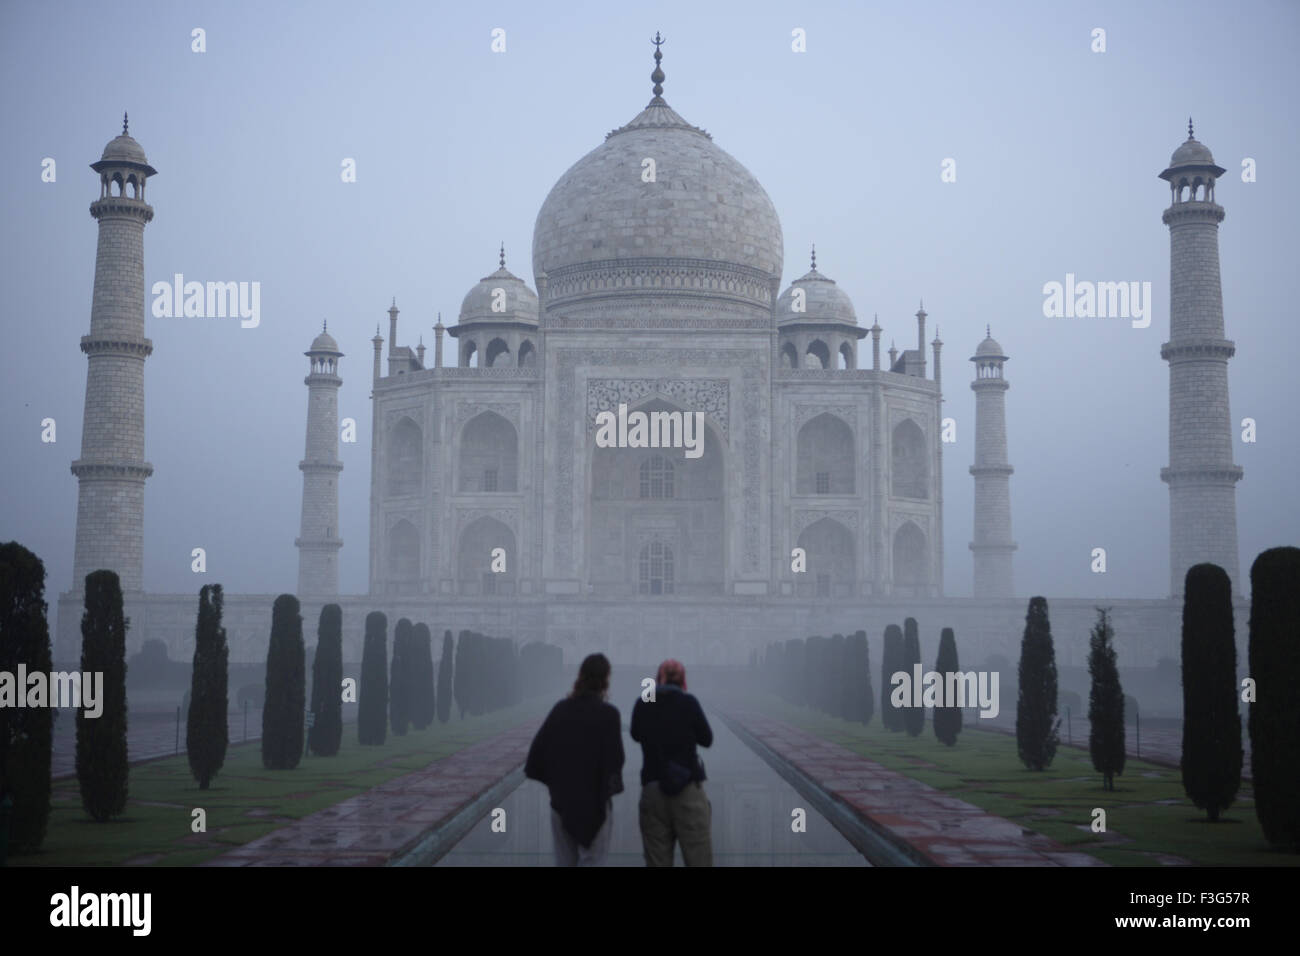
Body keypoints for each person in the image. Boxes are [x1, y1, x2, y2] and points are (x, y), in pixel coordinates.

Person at [524, 653, 624, 866]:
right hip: (595, 806)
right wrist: (605, 793)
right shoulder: (609, 715)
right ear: (606, 680)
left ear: (580, 677)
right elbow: (616, 763)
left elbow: (534, 760)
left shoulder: (561, 710)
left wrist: (557, 787)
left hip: (562, 805)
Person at [630, 658, 713, 867]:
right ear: (683, 681)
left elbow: (635, 734)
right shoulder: (689, 702)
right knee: (698, 859)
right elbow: (707, 739)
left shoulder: (644, 703)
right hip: (687, 789)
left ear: (658, 679)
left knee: (657, 861)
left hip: (653, 787)